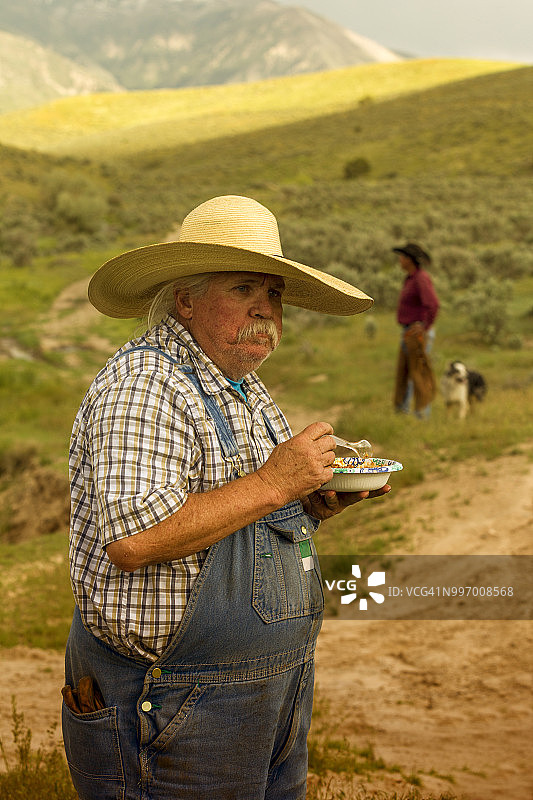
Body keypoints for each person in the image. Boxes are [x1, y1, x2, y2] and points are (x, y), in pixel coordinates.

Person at [62, 195, 391, 800]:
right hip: (172, 705)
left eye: (273, 293)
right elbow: (133, 540)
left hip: (262, 695)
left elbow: (243, 511)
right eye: (243, 289)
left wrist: (314, 501)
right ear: (185, 298)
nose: (264, 310)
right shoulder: (147, 385)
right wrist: (275, 482)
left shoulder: (239, 384)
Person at [393, 241, 439, 418]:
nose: (400, 260)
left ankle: (422, 414)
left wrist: (424, 327)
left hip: (416, 333)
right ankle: (403, 411)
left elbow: (433, 304)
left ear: (410, 260)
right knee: (406, 371)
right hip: (409, 332)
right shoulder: (411, 278)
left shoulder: (421, 278)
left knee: (418, 373)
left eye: (402, 257)